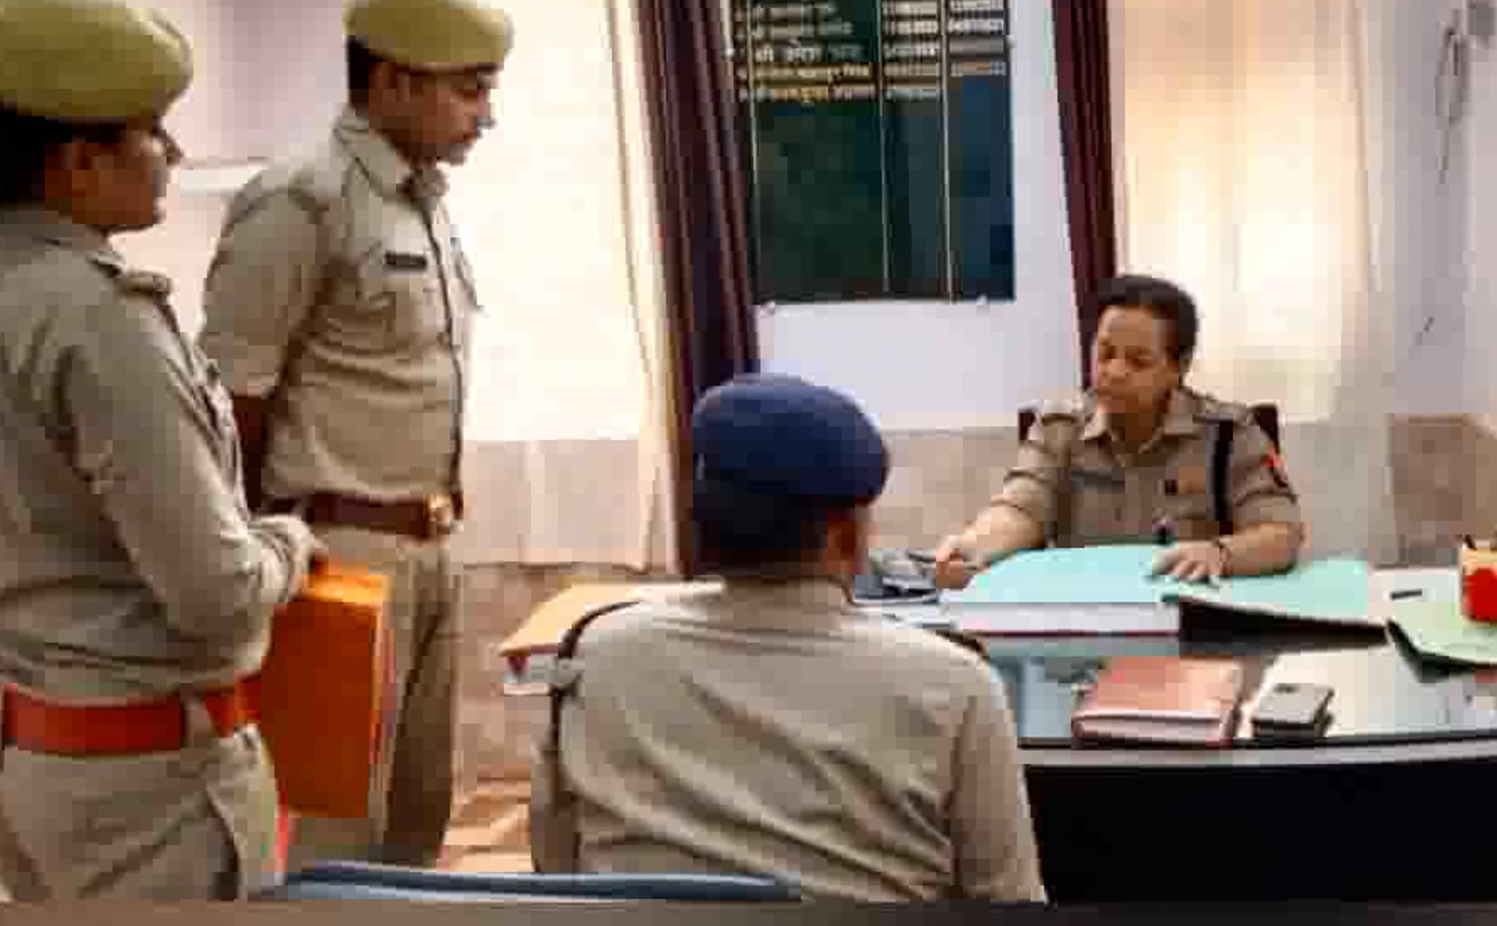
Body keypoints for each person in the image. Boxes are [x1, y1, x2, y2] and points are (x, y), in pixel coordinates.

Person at [0, 0, 323, 899]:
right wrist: (289, 543)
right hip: (148, 791)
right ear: (80, 161)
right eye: (152, 131)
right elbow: (215, 593)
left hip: (27, 757)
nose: (173, 153)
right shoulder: (101, 319)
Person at [197, 0, 512, 869]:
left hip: (426, 544)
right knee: (332, 827)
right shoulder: (302, 199)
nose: (485, 116)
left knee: (416, 813)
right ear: (393, 81)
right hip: (333, 552)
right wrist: (255, 555)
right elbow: (232, 400)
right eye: (469, 90)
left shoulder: (420, 200)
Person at [530, 374, 1047, 903]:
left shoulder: (597, 652)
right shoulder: (956, 686)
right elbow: (1008, 898)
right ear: (845, 535)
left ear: (702, 524)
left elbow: (556, 862)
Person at [936, 273, 1305, 588]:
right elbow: (1019, 510)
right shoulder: (1059, 429)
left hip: (1190, 619)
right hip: (1085, 622)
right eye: (1105, 353)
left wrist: (1220, 553)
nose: (1114, 372)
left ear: (1179, 367)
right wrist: (974, 547)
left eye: (1138, 361)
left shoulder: (1229, 434)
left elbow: (1281, 534)